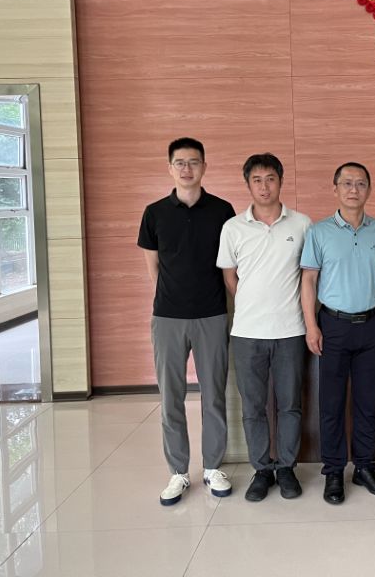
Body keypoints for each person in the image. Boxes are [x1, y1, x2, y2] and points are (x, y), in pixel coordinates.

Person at [138, 137, 236, 506]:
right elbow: (153, 267)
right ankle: (178, 471)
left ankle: (212, 468)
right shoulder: (154, 213)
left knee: (214, 395)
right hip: (168, 317)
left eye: (193, 162)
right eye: (179, 162)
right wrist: (172, 300)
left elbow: (229, 264)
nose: (186, 169)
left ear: (204, 167)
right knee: (171, 397)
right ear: (170, 168)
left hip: (212, 314)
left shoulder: (223, 211)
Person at [217, 153, 312, 502]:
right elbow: (230, 277)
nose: (264, 186)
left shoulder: (302, 224)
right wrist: (252, 304)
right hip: (247, 332)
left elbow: (309, 276)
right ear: (248, 184)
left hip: (290, 330)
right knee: (253, 407)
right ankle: (261, 469)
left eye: (270, 178)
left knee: (290, 405)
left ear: (281, 181)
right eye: (257, 180)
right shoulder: (233, 228)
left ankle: (286, 467)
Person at [300, 162, 375, 505]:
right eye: (347, 183)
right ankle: (334, 471)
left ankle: (365, 467)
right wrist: (311, 325)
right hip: (333, 326)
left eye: (361, 184)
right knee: (332, 404)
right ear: (335, 189)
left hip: (370, 325)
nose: (354, 190)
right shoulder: (319, 232)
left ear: (369, 189)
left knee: (367, 403)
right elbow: (308, 281)